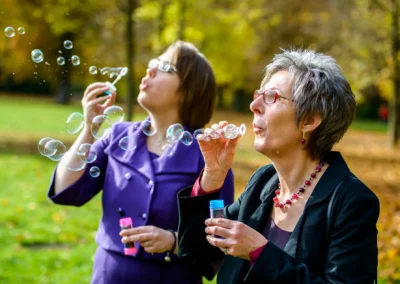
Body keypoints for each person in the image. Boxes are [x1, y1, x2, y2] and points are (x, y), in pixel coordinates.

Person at [177, 49, 379, 283]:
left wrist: (259, 252)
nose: (254, 105)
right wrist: (213, 174)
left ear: (309, 120)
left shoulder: (351, 201)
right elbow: (198, 253)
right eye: (258, 95)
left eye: (271, 97)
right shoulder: (263, 181)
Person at [47, 41, 234, 284]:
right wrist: (89, 128)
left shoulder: (208, 154)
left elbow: (220, 241)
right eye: (153, 63)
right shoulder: (117, 136)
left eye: (165, 67)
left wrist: (173, 241)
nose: (150, 70)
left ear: (190, 89)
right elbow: (65, 191)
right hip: (107, 275)